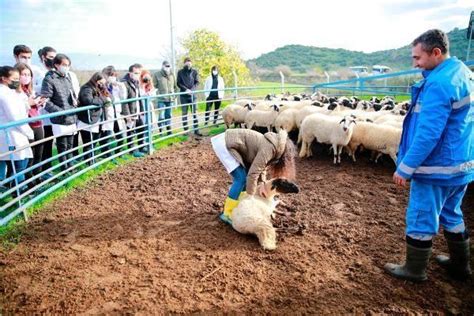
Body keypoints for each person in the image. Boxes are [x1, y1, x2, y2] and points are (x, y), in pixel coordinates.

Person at [385, 29, 473, 282]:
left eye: (417, 58)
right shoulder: (463, 74)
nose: (414, 64)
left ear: (436, 52)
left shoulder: (439, 84)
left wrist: (406, 167)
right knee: (452, 213)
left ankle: (414, 269)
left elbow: (428, 134)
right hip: (461, 164)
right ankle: (460, 265)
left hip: (437, 167)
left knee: (421, 215)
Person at [211, 128, 296, 225]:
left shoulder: (273, 146)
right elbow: (253, 174)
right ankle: (227, 214)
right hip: (225, 143)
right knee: (241, 178)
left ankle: (237, 205)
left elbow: (261, 167)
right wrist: (250, 197)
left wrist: (263, 184)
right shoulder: (270, 149)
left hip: (229, 141)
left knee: (245, 178)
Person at [41, 54, 78, 172]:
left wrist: (75, 102)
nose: (66, 67)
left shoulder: (67, 78)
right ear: (56, 65)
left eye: (68, 65)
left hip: (71, 115)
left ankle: (70, 167)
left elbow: (72, 95)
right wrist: (60, 112)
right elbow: (45, 101)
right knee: (62, 145)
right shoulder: (49, 79)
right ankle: (65, 170)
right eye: (64, 65)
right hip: (60, 118)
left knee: (70, 144)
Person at [0, 66, 34, 193]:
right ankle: (19, 194)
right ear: (3, 79)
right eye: (14, 79)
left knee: (20, 162)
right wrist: (28, 132)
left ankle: (16, 191)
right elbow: (15, 117)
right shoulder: (5, 95)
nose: (17, 81)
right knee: (19, 165)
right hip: (12, 133)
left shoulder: (9, 93)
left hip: (14, 133)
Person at [14, 62, 46, 186]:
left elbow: (33, 107)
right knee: (30, 154)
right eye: (23, 74)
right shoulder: (15, 93)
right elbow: (18, 109)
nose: (26, 77)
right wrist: (30, 103)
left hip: (37, 123)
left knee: (38, 153)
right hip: (27, 125)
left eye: (28, 74)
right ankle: (28, 180)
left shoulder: (29, 91)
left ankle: (37, 177)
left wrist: (39, 103)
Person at [77, 72, 110, 165]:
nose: (102, 84)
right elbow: (88, 101)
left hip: (98, 119)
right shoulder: (86, 88)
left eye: (103, 83)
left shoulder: (99, 88)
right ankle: (89, 162)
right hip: (87, 120)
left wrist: (104, 93)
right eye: (100, 82)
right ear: (96, 80)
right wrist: (104, 100)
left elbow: (110, 97)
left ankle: (91, 159)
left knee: (94, 142)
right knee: (88, 142)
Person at [36, 47, 57, 179]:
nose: (53, 59)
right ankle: (39, 173)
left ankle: (47, 169)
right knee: (40, 146)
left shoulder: (53, 71)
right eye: (50, 57)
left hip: (50, 114)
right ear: (43, 57)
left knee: (49, 143)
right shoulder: (37, 71)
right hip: (40, 114)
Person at [101, 66, 127, 157]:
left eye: (113, 75)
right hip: (107, 114)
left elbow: (123, 97)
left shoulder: (116, 86)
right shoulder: (101, 86)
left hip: (117, 113)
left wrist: (120, 86)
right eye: (110, 75)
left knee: (120, 136)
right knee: (106, 136)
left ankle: (118, 152)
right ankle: (106, 155)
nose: (112, 77)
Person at [121, 63, 146, 158]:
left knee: (141, 127)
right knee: (130, 130)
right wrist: (127, 115)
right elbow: (124, 101)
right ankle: (132, 150)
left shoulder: (136, 82)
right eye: (136, 73)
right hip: (130, 111)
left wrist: (142, 110)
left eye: (139, 73)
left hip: (137, 110)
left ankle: (141, 146)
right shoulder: (124, 83)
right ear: (130, 73)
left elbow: (139, 97)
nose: (138, 75)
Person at [177, 57, 201, 136]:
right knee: (184, 113)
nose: (188, 63)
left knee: (194, 112)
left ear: (191, 63)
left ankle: (196, 129)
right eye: (186, 62)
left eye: (189, 62)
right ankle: (186, 130)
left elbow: (197, 82)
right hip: (184, 96)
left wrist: (192, 90)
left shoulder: (194, 72)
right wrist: (186, 89)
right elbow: (178, 83)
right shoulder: (180, 72)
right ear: (184, 63)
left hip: (192, 95)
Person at [152, 61, 175, 136]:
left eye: (168, 66)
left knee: (168, 114)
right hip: (161, 98)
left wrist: (175, 96)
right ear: (162, 66)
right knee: (161, 115)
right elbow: (154, 86)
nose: (167, 67)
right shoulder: (157, 74)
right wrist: (157, 95)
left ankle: (169, 130)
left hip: (170, 98)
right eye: (166, 66)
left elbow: (175, 86)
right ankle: (161, 131)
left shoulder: (172, 75)